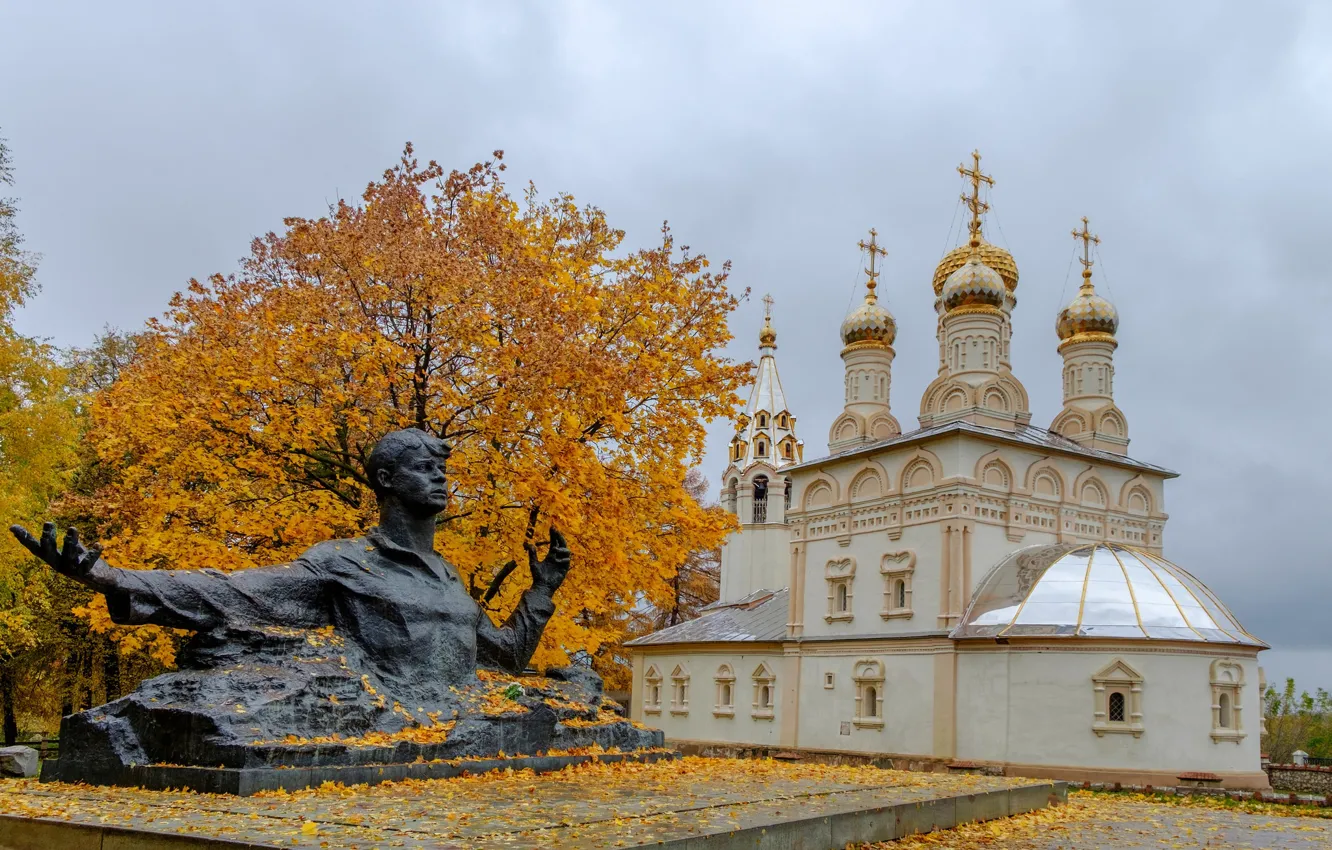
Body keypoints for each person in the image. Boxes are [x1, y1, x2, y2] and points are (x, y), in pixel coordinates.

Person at [11, 428, 571, 698]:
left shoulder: (449, 578)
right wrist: (110, 576)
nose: (441, 477)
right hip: (386, 728)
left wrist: (542, 589)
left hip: (454, 731)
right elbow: (231, 592)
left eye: (443, 470)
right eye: (425, 467)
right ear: (385, 481)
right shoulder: (344, 563)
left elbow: (503, 657)